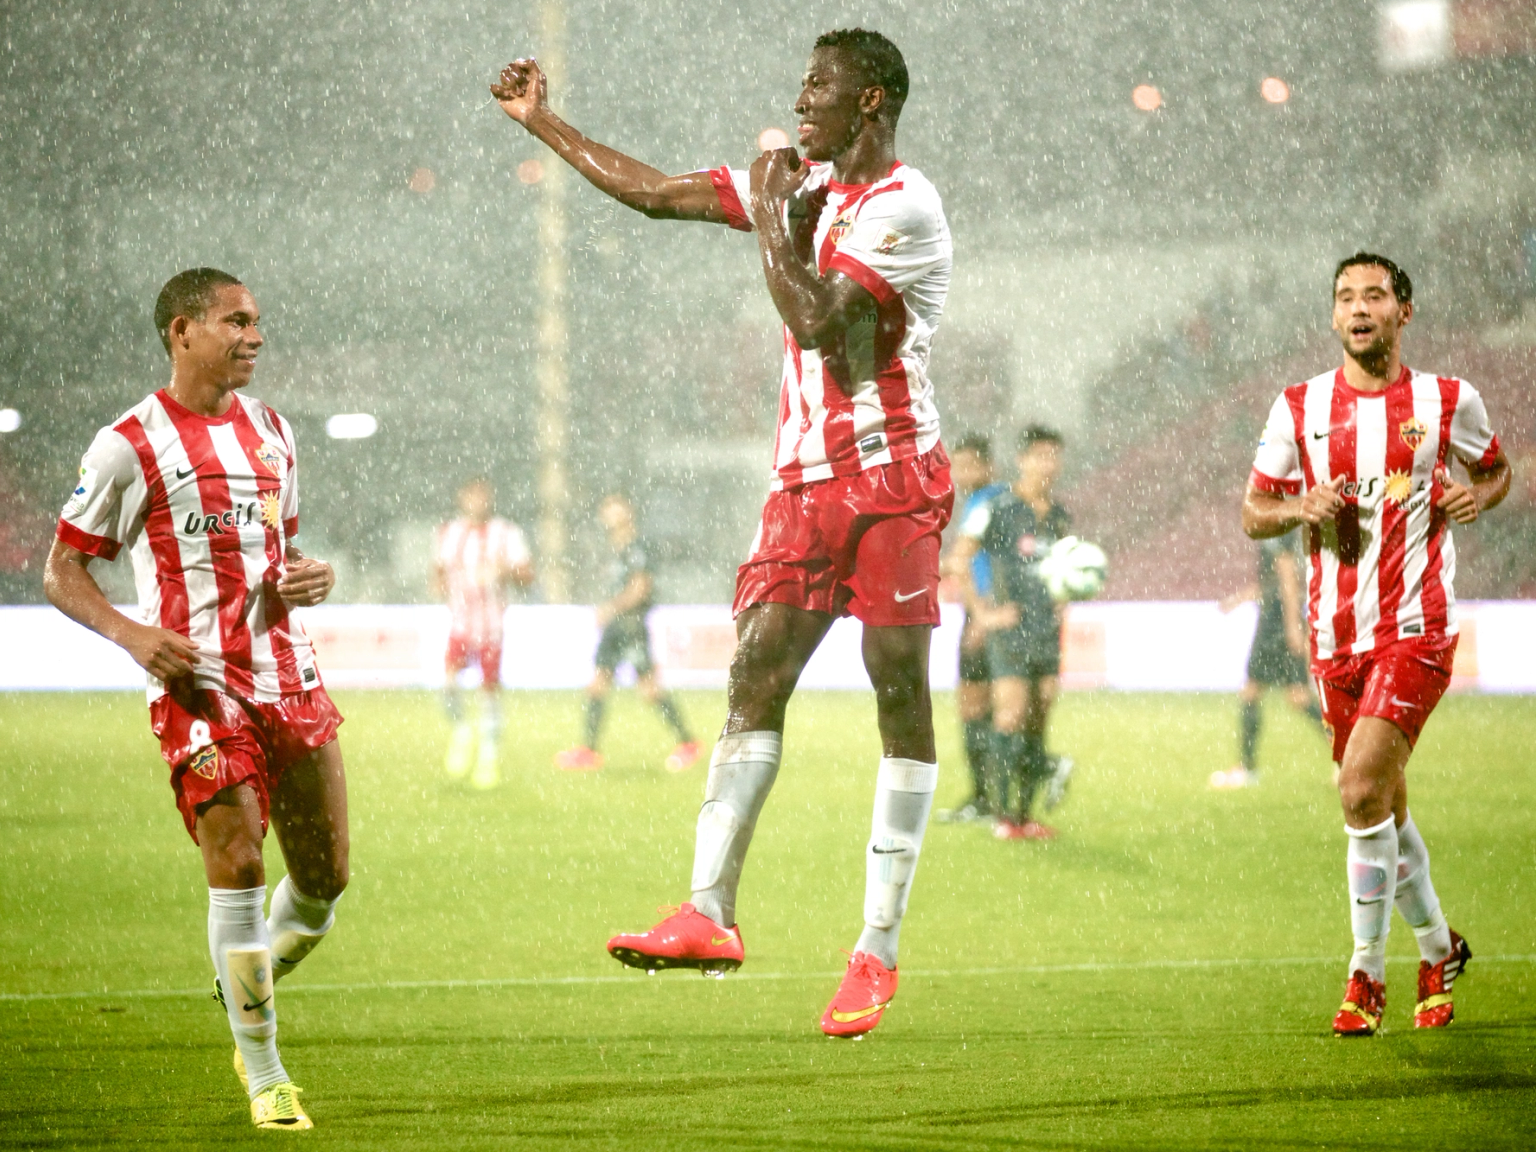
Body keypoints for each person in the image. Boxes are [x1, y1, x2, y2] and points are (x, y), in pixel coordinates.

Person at [494, 26, 953, 1037]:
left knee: (899, 685)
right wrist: (544, 125)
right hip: (802, 483)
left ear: (871, 100)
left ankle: (875, 948)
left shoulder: (903, 205)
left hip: (889, 480)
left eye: (820, 87)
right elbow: (657, 192)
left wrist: (772, 221)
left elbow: (818, 321)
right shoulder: (805, 192)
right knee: (754, 673)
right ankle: (709, 910)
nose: (801, 101)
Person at [43, 268, 349, 1129]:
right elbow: (63, 570)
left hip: (289, 676)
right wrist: (136, 637)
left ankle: (239, 981)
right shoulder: (128, 445)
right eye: (235, 322)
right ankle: (265, 1073)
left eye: (257, 323)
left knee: (324, 883)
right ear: (182, 331)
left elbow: (280, 554)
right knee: (242, 866)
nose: (254, 337)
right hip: (199, 689)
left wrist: (306, 578)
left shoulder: (274, 434)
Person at [1243, 252, 1511, 1036]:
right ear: (1333, 318)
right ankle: (1438, 947)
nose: (1359, 307)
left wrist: (1474, 494)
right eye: (1345, 297)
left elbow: (1496, 471)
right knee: (1383, 808)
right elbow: (1253, 509)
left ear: (1404, 312)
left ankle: (1366, 975)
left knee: (1359, 790)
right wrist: (1301, 507)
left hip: (1415, 631)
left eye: (1375, 295)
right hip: (1335, 640)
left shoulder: (1446, 399)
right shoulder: (1298, 408)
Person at [953, 426, 1076, 841]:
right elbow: (959, 559)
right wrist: (983, 614)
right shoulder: (1000, 507)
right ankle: (1004, 817)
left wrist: (1067, 598)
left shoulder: (1059, 516)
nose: (1049, 464)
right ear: (1022, 459)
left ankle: (1025, 815)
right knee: (1010, 715)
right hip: (1009, 630)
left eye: (1054, 456)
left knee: (1039, 719)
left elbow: (1068, 570)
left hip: (1046, 631)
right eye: (1041, 455)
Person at [554, 492, 700, 773]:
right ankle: (588, 751)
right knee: (597, 684)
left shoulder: (636, 547)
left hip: (630, 625)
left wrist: (611, 608)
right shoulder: (616, 547)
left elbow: (640, 587)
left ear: (627, 511)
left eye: (614, 507)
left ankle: (687, 743)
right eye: (606, 508)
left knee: (649, 690)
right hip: (616, 627)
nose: (608, 513)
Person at [432, 476, 534, 789]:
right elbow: (437, 572)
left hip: (491, 627)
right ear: (463, 498)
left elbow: (527, 575)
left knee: (489, 693)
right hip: (461, 624)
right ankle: (462, 731)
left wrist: (506, 571)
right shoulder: (450, 532)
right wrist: (442, 588)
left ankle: (488, 759)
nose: (478, 501)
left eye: (483, 495)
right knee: (447, 683)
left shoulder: (507, 532)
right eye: (472, 495)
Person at [1210, 532, 1325, 789]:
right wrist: (1237, 600)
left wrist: (1293, 627)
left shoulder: (1278, 531)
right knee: (1297, 697)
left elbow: (1288, 581)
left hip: (1276, 622)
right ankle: (1350, 758)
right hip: (1277, 618)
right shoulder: (1277, 530)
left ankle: (1247, 769)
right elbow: (1270, 582)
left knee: (1255, 692)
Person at [936, 433, 1007, 822]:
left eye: (969, 466)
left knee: (980, 705)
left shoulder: (990, 502)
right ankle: (993, 799)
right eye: (957, 466)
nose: (961, 474)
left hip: (986, 611)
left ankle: (991, 799)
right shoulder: (986, 502)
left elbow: (965, 562)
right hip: (983, 610)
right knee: (983, 705)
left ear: (988, 466)